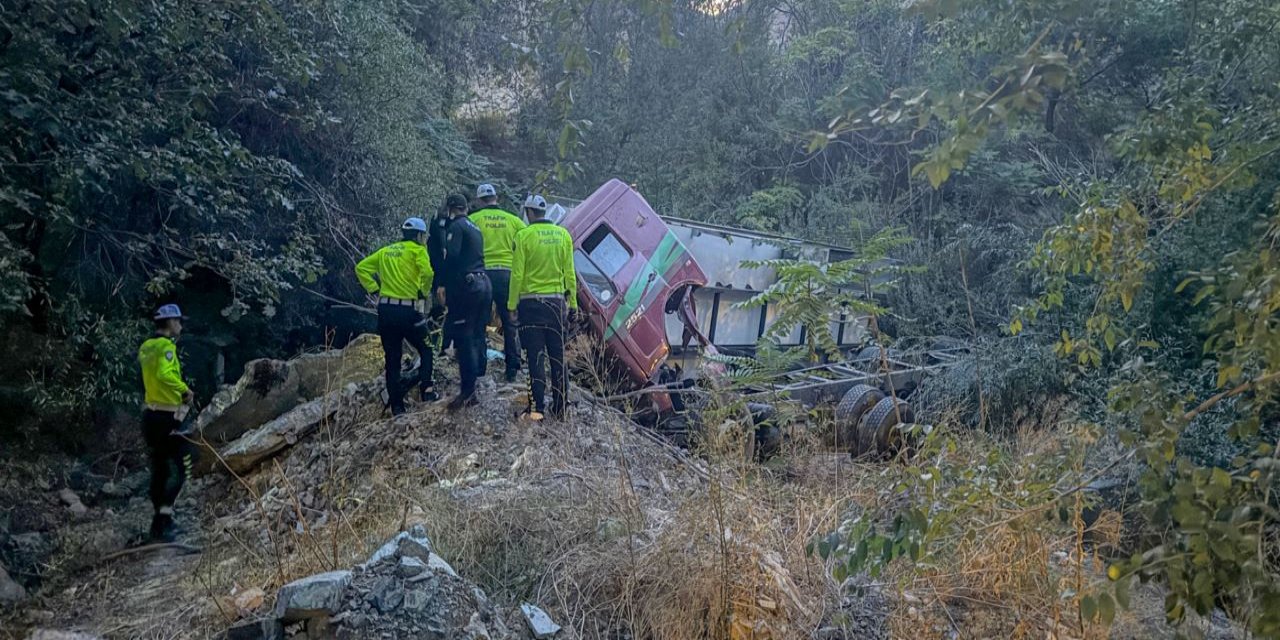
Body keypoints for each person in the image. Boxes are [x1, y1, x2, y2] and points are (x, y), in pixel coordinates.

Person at [355, 217, 438, 416]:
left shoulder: (386, 251)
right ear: (419, 235)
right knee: (426, 348)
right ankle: (427, 391)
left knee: (392, 359)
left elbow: (361, 268)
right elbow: (428, 273)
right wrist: (422, 292)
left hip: (386, 311)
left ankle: (397, 407)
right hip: (408, 311)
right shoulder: (418, 250)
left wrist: (374, 289)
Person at [509, 194, 577, 421]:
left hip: (531, 306)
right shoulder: (563, 235)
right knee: (558, 359)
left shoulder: (524, 236)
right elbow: (570, 275)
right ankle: (561, 407)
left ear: (529, 213)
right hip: (557, 306)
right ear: (544, 212)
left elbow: (517, 274)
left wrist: (511, 305)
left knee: (535, 358)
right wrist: (573, 304)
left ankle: (537, 409)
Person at [137, 304, 195, 542]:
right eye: (178, 321)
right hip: (167, 416)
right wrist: (185, 389)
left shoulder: (146, 347)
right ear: (170, 323)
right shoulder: (166, 347)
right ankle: (164, 520)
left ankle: (158, 525)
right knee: (183, 469)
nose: (180, 326)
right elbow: (164, 374)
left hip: (150, 416)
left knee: (159, 468)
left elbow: (150, 378)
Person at [469, 183, 526, 383]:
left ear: (478, 200)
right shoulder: (514, 221)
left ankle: (479, 368)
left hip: (482, 275)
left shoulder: (472, 220)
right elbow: (526, 244)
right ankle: (512, 367)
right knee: (510, 321)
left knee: (479, 322)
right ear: (496, 199)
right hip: (507, 275)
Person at [441, 193, 492, 410]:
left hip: (469, 286)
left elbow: (451, 258)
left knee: (464, 338)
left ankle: (468, 392)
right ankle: (478, 378)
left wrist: (444, 285)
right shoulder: (474, 226)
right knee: (478, 334)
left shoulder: (457, 227)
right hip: (484, 283)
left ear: (451, 208)